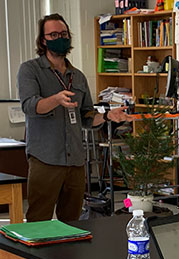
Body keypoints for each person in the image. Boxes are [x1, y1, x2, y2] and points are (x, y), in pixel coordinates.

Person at [17, 13, 133, 224]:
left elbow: (86, 116)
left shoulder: (77, 76)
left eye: (63, 34)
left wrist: (107, 116)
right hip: (46, 158)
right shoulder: (30, 70)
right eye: (53, 34)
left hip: (76, 161)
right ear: (43, 40)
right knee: (38, 220)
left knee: (72, 222)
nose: (59, 38)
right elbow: (29, 106)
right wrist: (56, 99)